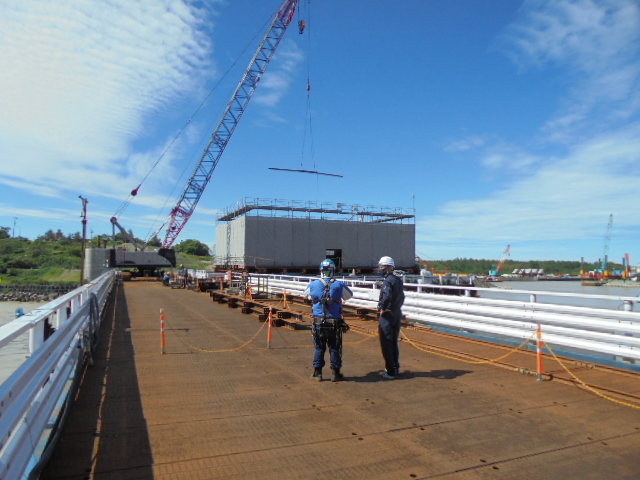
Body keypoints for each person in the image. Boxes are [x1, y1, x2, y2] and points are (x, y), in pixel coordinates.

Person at [303, 258, 353, 382]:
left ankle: (317, 373)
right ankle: (335, 374)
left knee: (319, 348)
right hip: (334, 323)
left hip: (319, 322)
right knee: (335, 347)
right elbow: (349, 296)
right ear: (333, 270)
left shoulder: (313, 284)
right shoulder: (339, 284)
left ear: (321, 270)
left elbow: (305, 295)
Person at [376, 256, 405, 379]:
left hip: (388, 314)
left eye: (382, 266)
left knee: (386, 342)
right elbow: (402, 297)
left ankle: (390, 371)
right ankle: (395, 367)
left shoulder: (388, 281)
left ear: (387, 267)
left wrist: (382, 308)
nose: (380, 269)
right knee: (394, 341)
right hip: (396, 313)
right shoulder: (398, 280)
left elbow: (387, 296)